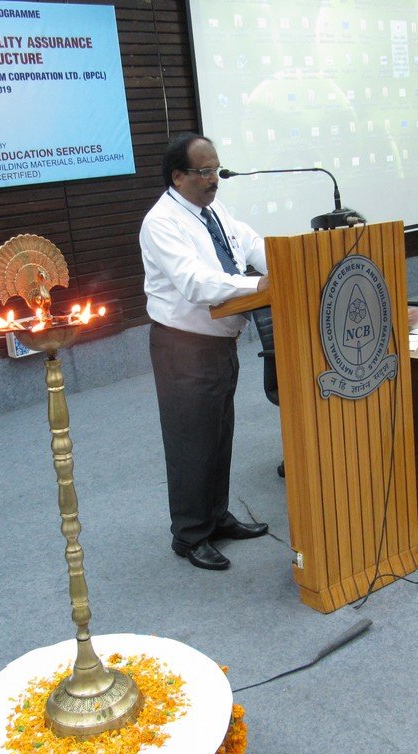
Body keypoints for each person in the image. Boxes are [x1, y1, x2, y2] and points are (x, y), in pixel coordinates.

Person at [140, 133, 270, 571]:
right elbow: (195, 282)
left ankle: (215, 515)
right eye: (205, 172)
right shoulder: (161, 222)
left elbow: (252, 246)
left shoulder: (213, 211)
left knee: (218, 435)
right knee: (190, 441)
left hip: (219, 343)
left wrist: (290, 263)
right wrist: (258, 285)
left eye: (216, 169)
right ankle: (190, 535)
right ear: (178, 176)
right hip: (182, 346)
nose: (215, 179)